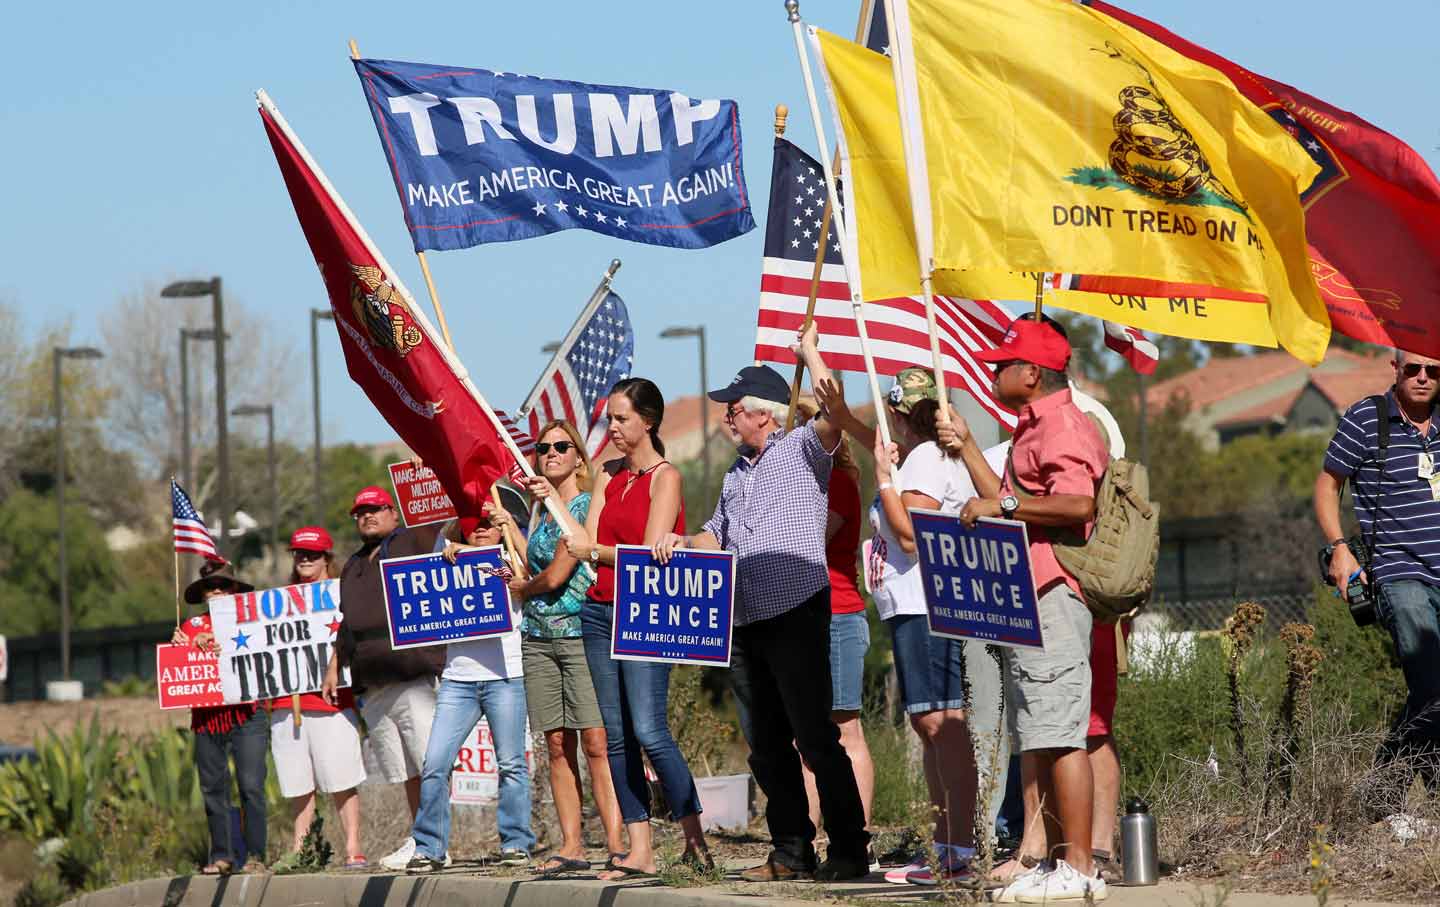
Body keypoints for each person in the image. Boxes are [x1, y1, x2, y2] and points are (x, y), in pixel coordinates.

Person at [655, 326, 870, 883]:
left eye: (733, 409)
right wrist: (683, 543)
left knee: (816, 737)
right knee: (767, 747)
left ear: (763, 415)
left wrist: (810, 352)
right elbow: (715, 535)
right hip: (745, 618)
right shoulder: (734, 475)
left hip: (796, 609)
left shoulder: (802, 449)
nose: (726, 417)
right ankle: (791, 850)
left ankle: (849, 848)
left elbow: (834, 409)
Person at [819, 366, 1006, 886]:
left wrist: (882, 479)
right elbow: (878, 440)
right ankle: (948, 847)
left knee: (940, 724)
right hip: (910, 605)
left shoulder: (923, 459)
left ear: (901, 413)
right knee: (931, 726)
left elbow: (910, 536)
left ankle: (962, 849)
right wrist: (837, 409)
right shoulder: (920, 452)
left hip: (927, 605)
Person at [945, 317, 1110, 902]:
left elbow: (1076, 501)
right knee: (1041, 729)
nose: (993, 372)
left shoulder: (1062, 422)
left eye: (1001, 364)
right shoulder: (1032, 425)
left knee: (1062, 734)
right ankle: (1060, 863)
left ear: (1032, 373)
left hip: (1055, 594)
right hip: (1032, 597)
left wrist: (1005, 502)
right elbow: (1008, 499)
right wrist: (967, 446)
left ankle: (1081, 869)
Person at [563, 377, 712, 880]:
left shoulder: (665, 477)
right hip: (598, 612)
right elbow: (585, 536)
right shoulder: (607, 474)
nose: (614, 427)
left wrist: (592, 553)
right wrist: (555, 502)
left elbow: (647, 554)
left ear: (647, 421)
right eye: (610, 418)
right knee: (618, 735)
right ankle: (640, 847)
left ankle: (694, 837)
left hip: (644, 614)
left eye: (622, 418)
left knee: (650, 729)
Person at [487, 420, 627, 872]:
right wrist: (513, 527)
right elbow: (535, 562)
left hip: (577, 635)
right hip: (538, 638)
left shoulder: (584, 507)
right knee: (555, 743)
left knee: (596, 743)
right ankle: (572, 845)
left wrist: (523, 589)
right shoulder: (541, 511)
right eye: (543, 447)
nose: (550, 452)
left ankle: (617, 842)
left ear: (578, 458)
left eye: (561, 446)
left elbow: (557, 573)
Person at [1315, 348, 1440, 790]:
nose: (1423, 378)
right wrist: (1339, 548)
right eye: (1413, 369)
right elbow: (1328, 485)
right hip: (1400, 575)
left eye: (1433, 370)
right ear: (1396, 369)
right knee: (1430, 678)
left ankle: (1381, 790)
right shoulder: (1367, 419)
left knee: (1432, 691)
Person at [322, 485, 445, 871]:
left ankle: (437, 843)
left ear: (394, 512)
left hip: (412, 675)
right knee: (404, 770)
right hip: (372, 682)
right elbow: (347, 623)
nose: (367, 516)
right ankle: (422, 839)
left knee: (429, 763)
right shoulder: (353, 564)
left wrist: (421, 475)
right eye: (360, 512)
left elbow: (438, 524)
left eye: (375, 509)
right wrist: (333, 664)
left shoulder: (411, 541)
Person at [405, 513, 535, 873]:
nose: (480, 528)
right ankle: (429, 847)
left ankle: (516, 843)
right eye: (472, 523)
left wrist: (478, 551)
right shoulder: (446, 557)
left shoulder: (512, 558)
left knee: (510, 764)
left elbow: (524, 578)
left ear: (503, 527)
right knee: (434, 764)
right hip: (458, 680)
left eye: (488, 522)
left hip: (507, 676)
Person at [793, 396, 876, 848]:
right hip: (804, 618)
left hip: (839, 616)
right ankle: (810, 834)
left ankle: (857, 833)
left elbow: (807, 540)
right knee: (803, 736)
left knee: (846, 729)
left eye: (809, 426)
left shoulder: (839, 483)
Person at [267, 527, 367, 871]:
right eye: (298, 554)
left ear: (327, 558)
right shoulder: (275, 603)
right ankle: (301, 850)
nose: (304, 559)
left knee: (341, 779)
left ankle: (354, 847)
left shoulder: (345, 594)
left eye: (312, 554)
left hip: (332, 703)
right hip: (286, 705)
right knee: (298, 785)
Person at [173, 560, 268, 875]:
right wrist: (181, 649)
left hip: (247, 713)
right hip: (207, 718)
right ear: (202, 594)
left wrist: (221, 645)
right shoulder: (189, 627)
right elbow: (180, 669)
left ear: (235, 590)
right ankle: (222, 856)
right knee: (213, 788)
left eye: (223, 585)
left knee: (251, 785)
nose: (217, 591)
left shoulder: (250, 622)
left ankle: (255, 855)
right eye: (210, 587)